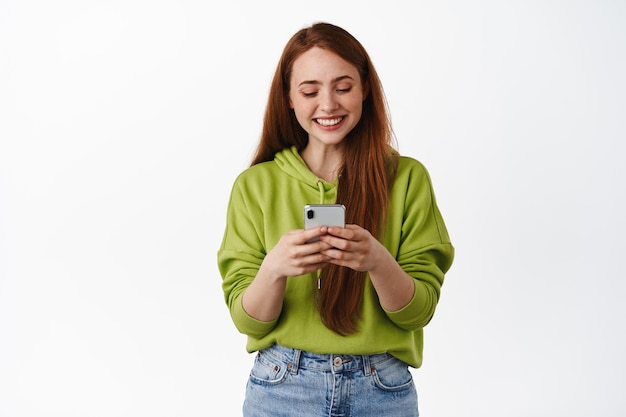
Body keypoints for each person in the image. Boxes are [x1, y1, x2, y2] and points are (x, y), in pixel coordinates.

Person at [218, 22, 454, 417]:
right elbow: (249, 323)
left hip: (382, 387)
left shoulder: (407, 179)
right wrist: (274, 269)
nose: (327, 105)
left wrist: (377, 262)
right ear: (289, 99)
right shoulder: (255, 186)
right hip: (281, 387)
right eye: (310, 91)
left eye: (343, 88)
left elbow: (418, 312)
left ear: (365, 90)